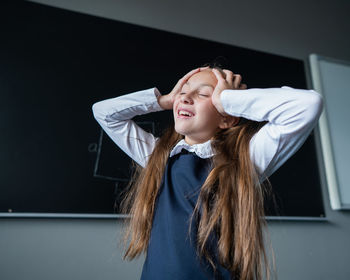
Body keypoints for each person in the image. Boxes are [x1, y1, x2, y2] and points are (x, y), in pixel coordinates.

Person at [92, 64, 323, 280]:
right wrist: (162, 100)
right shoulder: (158, 156)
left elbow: (308, 105)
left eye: (203, 94)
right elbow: (103, 112)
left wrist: (229, 99)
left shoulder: (244, 161)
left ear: (226, 117)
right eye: (183, 91)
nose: (184, 97)